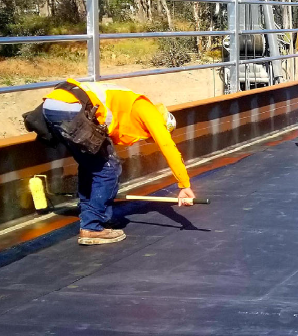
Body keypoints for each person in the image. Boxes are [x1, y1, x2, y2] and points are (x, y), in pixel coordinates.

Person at [32, 80, 195, 245]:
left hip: (53, 106)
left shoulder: (129, 106)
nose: (150, 139)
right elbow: (168, 146)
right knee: (108, 168)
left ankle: (95, 217)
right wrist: (184, 184)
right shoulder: (150, 112)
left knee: (91, 164)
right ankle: (92, 227)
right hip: (71, 108)